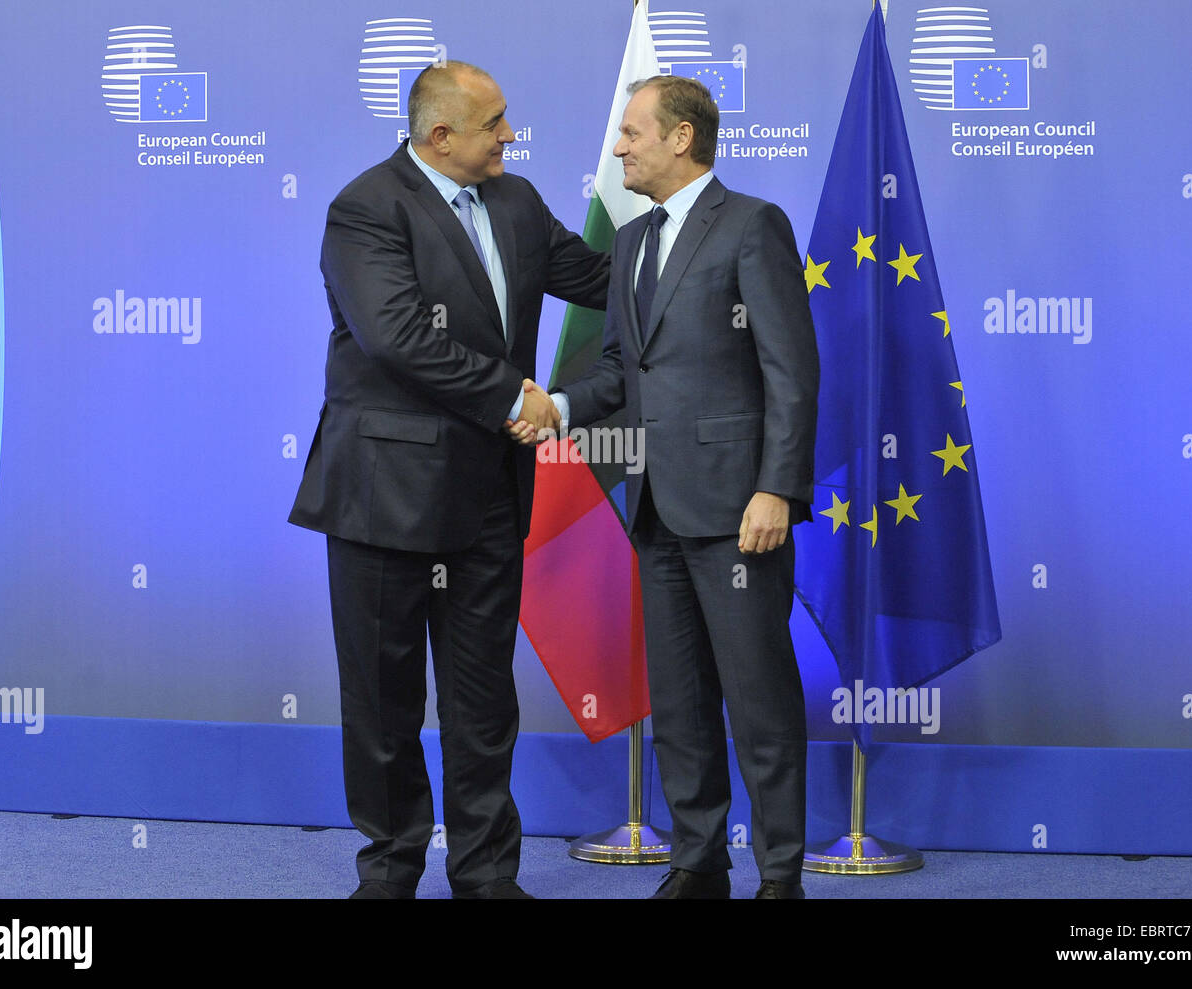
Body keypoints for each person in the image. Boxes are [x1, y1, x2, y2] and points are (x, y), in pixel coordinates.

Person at [289, 61, 609, 899]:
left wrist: (703, 245)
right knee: (384, 700)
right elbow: (397, 338)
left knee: (482, 700)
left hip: (489, 497)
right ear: (439, 137)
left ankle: (485, 875)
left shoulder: (519, 200)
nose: (511, 134)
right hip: (382, 498)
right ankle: (391, 869)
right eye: (495, 122)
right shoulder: (366, 208)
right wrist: (517, 397)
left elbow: (600, 281)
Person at [519, 75, 819, 898]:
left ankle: (781, 873)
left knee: (758, 698)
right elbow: (620, 368)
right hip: (652, 507)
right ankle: (699, 859)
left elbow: (791, 372)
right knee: (680, 703)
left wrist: (776, 490)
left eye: (631, 133)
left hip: (736, 509)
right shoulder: (631, 244)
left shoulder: (753, 225)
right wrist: (561, 408)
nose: (618, 148)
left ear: (681, 138)